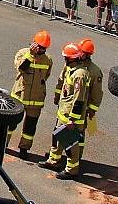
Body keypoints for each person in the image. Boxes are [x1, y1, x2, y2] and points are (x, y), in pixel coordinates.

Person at [38, 43, 90, 180]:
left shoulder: (80, 74)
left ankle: (71, 170)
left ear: (73, 58)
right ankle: (53, 161)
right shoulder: (71, 69)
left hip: (71, 117)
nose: (65, 59)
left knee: (70, 142)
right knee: (58, 137)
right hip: (64, 112)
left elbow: (79, 99)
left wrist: (72, 119)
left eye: (66, 57)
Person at [7, 30, 53, 160]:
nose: (40, 50)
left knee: (30, 127)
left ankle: (24, 148)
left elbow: (46, 76)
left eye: (43, 48)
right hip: (19, 95)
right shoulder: (22, 53)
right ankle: (3, 143)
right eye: (38, 46)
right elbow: (21, 68)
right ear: (33, 42)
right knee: (11, 124)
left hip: (36, 99)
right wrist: (30, 55)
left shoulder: (48, 59)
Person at [76, 38, 103, 160]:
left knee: (78, 135)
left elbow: (97, 93)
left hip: (82, 109)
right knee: (62, 131)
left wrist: (92, 110)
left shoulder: (94, 71)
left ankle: (77, 157)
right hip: (68, 106)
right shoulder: (75, 63)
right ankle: (57, 155)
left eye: (80, 51)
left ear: (86, 54)